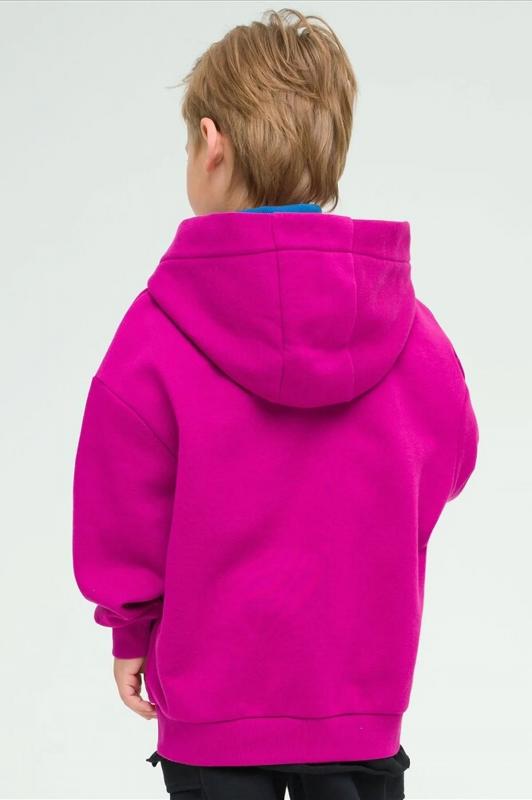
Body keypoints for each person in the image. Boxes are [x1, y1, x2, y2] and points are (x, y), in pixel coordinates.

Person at [71, 8, 479, 800]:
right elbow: (452, 455)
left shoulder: (156, 331)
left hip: (211, 712)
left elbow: (119, 508)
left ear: (212, 143)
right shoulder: (408, 326)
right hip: (360, 703)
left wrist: (130, 628)